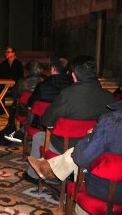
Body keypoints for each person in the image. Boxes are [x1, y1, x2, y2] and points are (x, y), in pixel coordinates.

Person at [24, 55, 116, 183]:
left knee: (39, 136)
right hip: (96, 147)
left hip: (67, 145)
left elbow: (46, 120)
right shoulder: (109, 98)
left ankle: (35, 176)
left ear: (73, 75)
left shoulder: (67, 95)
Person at [28, 100, 122, 214]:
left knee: (78, 155)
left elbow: (82, 159)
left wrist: (89, 137)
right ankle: (50, 169)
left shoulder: (112, 120)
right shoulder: (108, 97)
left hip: (109, 191)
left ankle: (51, 170)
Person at [6, 58, 73, 143]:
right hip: (69, 124)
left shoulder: (43, 86)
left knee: (34, 109)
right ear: (68, 72)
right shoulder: (73, 86)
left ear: (53, 69)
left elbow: (31, 104)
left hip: (45, 122)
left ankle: (22, 133)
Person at [0, 47, 24, 114]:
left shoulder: (19, 64)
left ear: (13, 53)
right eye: (6, 52)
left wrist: (14, 83)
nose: (6, 53)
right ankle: (0, 109)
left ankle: (16, 110)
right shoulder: (3, 64)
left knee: (18, 90)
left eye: (8, 52)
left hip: (15, 85)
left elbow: (21, 77)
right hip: (4, 84)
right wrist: (5, 83)